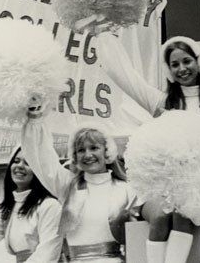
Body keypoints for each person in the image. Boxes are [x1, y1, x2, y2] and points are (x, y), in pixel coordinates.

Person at [98, 33, 200, 261]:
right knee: (162, 215)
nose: (182, 68)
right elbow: (127, 77)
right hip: (159, 188)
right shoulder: (161, 103)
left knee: (183, 211)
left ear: (199, 62)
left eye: (187, 61)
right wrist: (103, 36)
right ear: (168, 70)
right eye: (175, 64)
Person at [20, 105, 140, 262]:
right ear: (74, 156)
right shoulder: (68, 186)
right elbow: (42, 160)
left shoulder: (127, 189)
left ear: (107, 151)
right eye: (81, 150)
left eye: (94, 148)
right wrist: (34, 119)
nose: (88, 154)